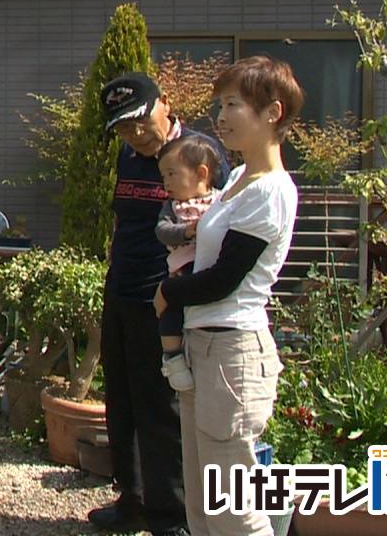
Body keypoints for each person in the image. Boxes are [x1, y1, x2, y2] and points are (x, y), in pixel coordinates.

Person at [154, 55, 303, 536]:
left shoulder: (272, 191)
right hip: (206, 345)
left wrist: (167, 292)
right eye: (220, 104)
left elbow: (223, 278)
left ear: (272, 113)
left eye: (233, 104)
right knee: (202, 505)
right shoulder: (238, 179)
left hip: (234, 351)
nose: (220, 117)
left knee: (233, 508)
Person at [89, 73, 230, 536]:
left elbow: (223, 226)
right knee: (122, 403)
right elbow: (123, 223)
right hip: (121, 290)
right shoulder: (128, 155)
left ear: (164, 104)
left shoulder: (199, 154)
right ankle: (132, 501)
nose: (134, 134)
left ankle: (170, 518)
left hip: (165, 300)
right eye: (123, 128)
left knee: (161, 409)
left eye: (139, 122)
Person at [154, 135, 223, 391]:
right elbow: (162, 231)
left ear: (201, 173)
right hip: (182, 271)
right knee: (169, 313)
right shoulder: (172, 208)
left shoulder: (221, 201)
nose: (166, 182)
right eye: (163, 176)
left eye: (172, 174)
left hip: (212, 271)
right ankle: (172, 357)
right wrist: (186, 231)